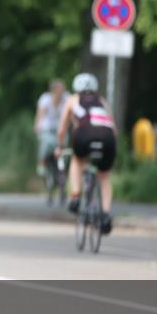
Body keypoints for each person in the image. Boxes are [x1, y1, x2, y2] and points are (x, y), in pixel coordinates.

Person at [56, 73, 118, 234]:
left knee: (77, 160)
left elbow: (62, 129)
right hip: (107, 137)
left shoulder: (72, 100)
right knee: (104, 175)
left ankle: (75, 196)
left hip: (84, 134)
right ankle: (105, 214)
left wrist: (60, 146)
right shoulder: (102, 101)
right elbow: (114, 129)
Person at [34, 79, 67, 176]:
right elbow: (40, 114)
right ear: (53, 90)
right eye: (60, 89)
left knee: (64, 146)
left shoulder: (66, 98)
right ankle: (42, 163)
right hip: (47, 128)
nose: (62, 91)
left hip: (60, 128)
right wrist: (37, 125)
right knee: (46, 144)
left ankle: (62, 167)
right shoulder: (45, 99)